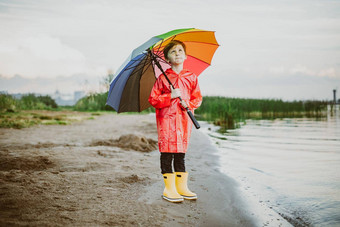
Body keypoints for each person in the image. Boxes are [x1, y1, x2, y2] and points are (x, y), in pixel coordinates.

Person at [148, 40, 202, 203]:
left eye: (180, 50)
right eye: (173, 51)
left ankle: (181, 187)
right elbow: (153, 99)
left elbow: (197, 98)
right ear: (167, 59)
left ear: (185, 56)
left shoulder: (191, 77)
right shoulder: (163, 78)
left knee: (180, 153)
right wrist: (169, 96)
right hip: (166, 120)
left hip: (184, 120)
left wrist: (189, 104)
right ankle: (169, 188)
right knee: (167, 152)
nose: (177, 53)